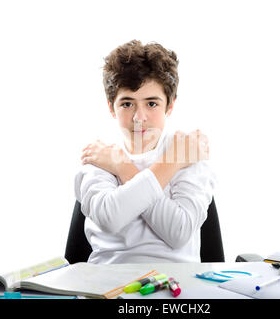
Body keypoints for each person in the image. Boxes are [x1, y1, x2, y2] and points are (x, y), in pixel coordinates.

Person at [74, 40, 216, 263]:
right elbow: (110, 217)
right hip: (107, 283)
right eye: (127, 104)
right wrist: (172, 163)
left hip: (177, 284)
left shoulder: (189, 152)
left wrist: (123, 168)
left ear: (170, 105)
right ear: (111, 107)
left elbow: (178, 231)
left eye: (151, 104)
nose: (139, 118)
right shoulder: (99, 157)